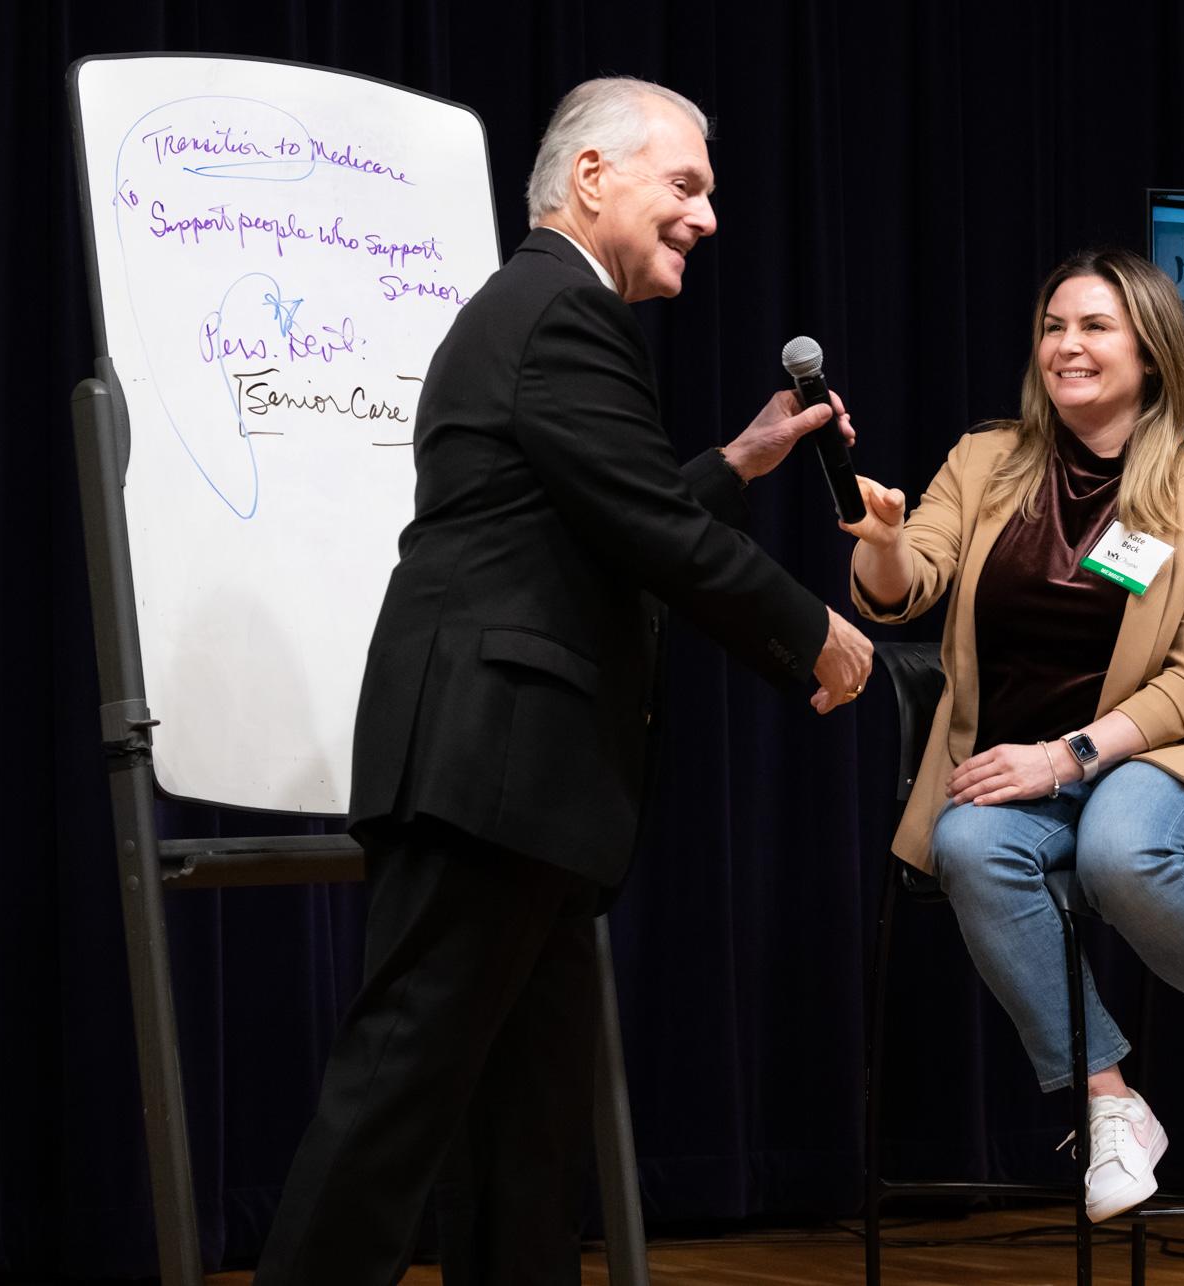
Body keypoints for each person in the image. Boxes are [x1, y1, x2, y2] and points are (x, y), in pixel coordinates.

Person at [254, 77, 872, 1286]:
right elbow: (645, 530)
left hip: (523, 783)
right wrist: (816, 630)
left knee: (521, 1135)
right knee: (399, 1101)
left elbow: (589, 522)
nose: (705, 218)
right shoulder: (559, 311)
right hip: (491, 768)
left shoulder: (540, 312)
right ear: (592, 177)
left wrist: (741, 458)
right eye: (683, 186)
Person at [844, 249, 1184, 1222]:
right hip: (1018, 769)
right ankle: (1109, 1102)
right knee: (965, 841)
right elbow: (913, 584)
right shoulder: (986, 461)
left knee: (1121, 846)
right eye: (1054, 326)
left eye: (1095, 326)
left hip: (1170, 759)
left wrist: (1070, 753)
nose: (1067, 345)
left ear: (1149, 352)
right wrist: (889, 543)